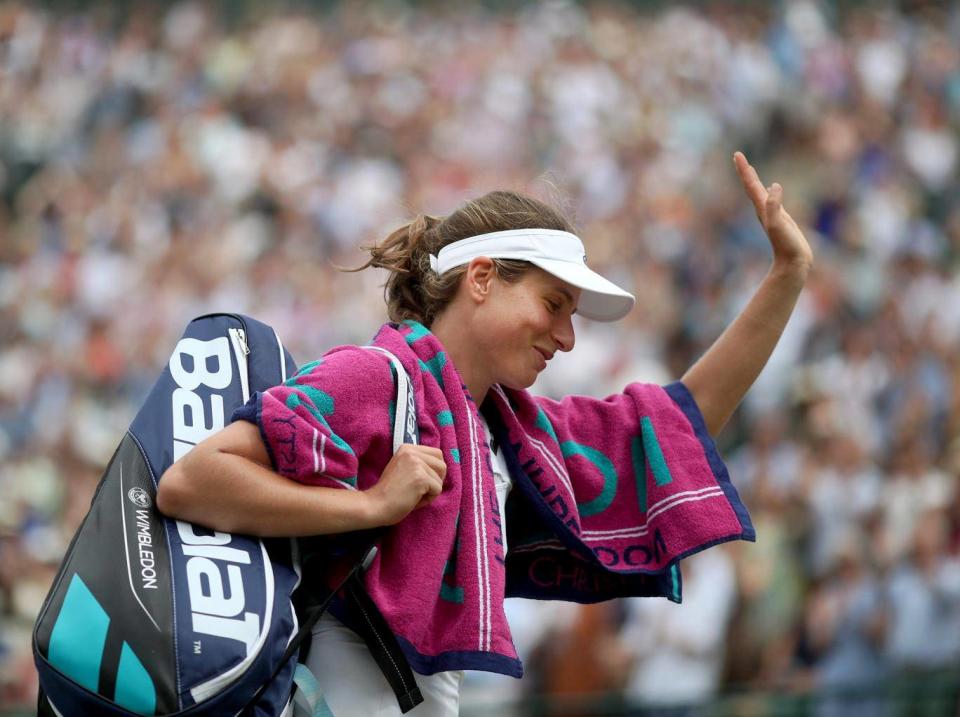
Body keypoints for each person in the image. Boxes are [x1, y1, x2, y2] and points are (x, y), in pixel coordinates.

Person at [157, 152, 813, 716]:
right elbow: (192, 481)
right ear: (481, 277)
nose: (567, 336)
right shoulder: (376, 376)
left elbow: (673, 427)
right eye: (553, 304)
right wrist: (370, 505)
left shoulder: (510, 433)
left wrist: (787, 278)